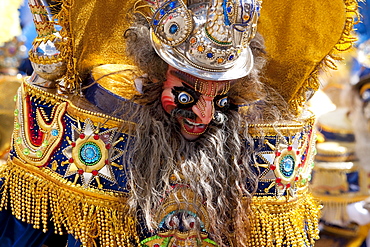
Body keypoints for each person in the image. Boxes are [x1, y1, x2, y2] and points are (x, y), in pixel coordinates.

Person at [0, 0, 358, 246]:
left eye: (220, 99)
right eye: (186, 95)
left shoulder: (253, 141)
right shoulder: (106, 119)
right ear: (156, 79)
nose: (203, 116)